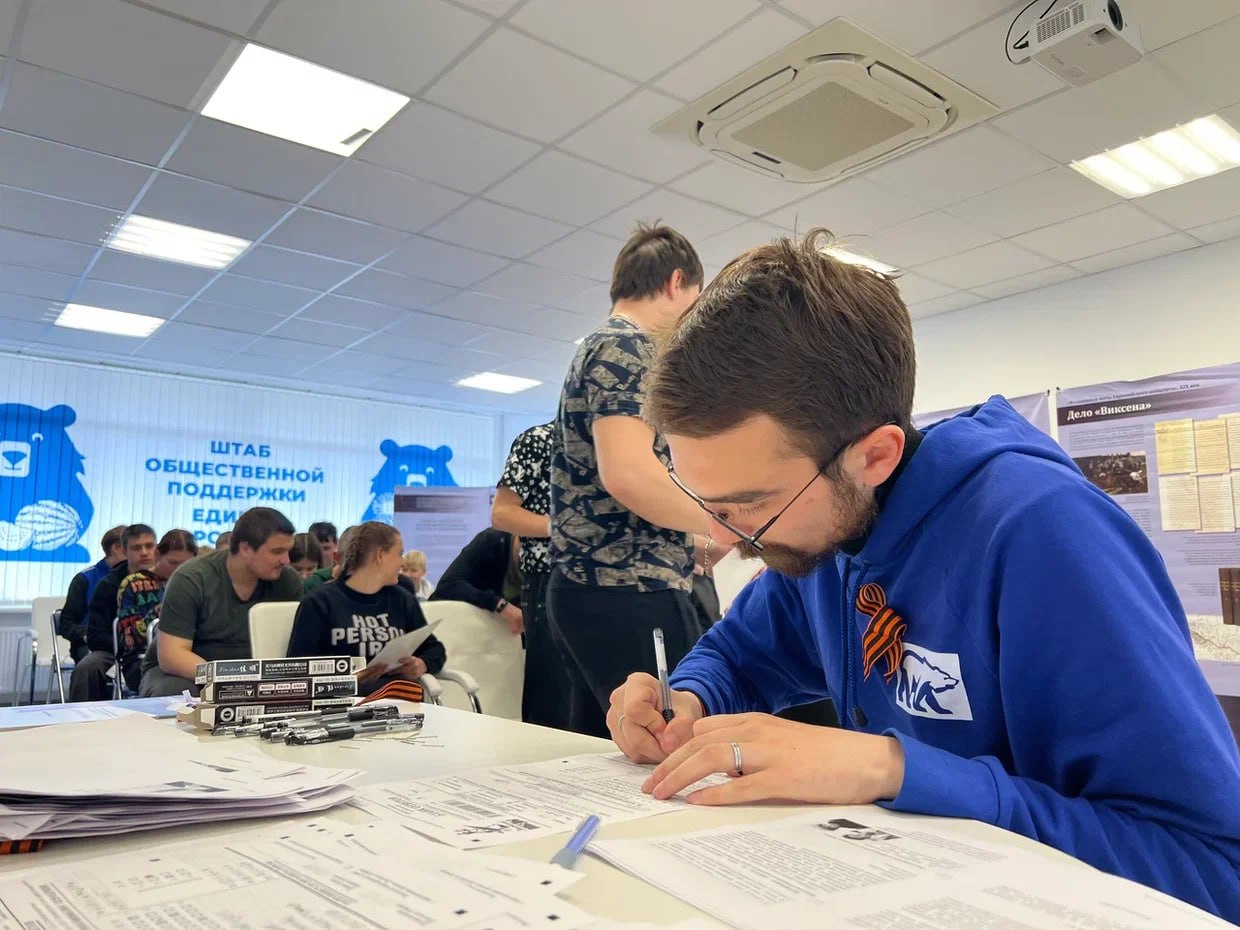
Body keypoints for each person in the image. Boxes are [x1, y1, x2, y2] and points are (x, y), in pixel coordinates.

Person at [605, 230, 1240, 921]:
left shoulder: (1044, 534)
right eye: (708, 503)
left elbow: (1208, 865)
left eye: (751, 504)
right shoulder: (822, 531)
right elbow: (741, 654)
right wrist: (688, 700)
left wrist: (890, 769)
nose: (726, 538)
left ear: (874, 457)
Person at [548, 223, 726, 737]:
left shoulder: (597, 347)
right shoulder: (628, 347)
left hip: (595, 585)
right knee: (671, 738)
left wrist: (691, 537)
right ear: (676, 282)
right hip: (628, 589)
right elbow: (629, 475)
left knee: (608, 750)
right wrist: (731, 522)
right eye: (695, 299)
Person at [139, 507, 303, 697]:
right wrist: (231, 680)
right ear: (245, 548)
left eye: (288, 551)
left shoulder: (288, 582)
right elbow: (172, 656)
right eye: (277, 551)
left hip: (256, 676)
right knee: (176, 693)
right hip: (186, 673)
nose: (286, 560)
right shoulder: (191, 578)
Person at [289, 522, 445, 696]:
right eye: (399, 554)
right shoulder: (319, 603)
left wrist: (421, 664)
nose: (402, 563)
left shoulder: (402, 599)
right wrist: (347, 679)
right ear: (380, 555)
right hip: (342, 703)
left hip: (399, 700)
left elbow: (435, 649)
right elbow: (297, 668)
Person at [493, 420, 572, 729]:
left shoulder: (624, 444)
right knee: (554, 696)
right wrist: (568, 529)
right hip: (549, 575)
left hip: (614, 582)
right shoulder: (539, 440)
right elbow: (502, 513)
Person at [70, 530, 198, 700]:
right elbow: (125, 640)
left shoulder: (197, 584)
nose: (180, 569)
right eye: (173, 562)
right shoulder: (125, 584)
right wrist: (157, 614)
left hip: (188, 655)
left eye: (187, 564)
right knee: (90, 667)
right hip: (137, 657)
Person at [68, 523, 158, 701]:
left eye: (149, 546)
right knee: (87, 668)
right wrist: (125, 645)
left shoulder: (168, 578)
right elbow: (95, 636)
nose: (144, 552)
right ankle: (84, 716)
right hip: (116, 651)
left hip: (162, 650)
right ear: (124, 551)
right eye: (136, 548)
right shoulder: (108, 585)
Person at [430, 529, 524, 636]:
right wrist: (499, 605)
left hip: (492, 637)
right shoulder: (492, 541)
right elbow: (448, 585)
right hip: (447, 629)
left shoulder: (537, 572)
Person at [58, 524, 126, 662]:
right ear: (116, 548)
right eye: (134, 547)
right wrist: (85, 635)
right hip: (91, 645)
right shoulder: (85, 579)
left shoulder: (142, 578)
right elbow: (66, 623)